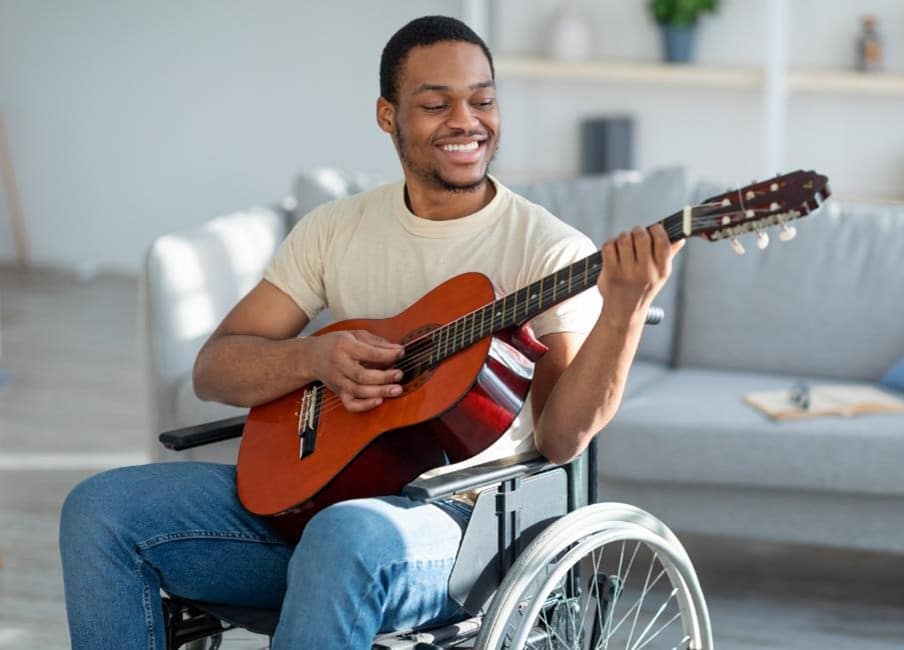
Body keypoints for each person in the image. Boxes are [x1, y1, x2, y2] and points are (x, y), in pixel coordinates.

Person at [59, 15, 683, 649]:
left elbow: (561, 437)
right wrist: (314, 357)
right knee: (101, 509)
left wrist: (625, 311)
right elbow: (215, 367)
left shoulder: (546, 249)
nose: (467, 120)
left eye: (483, 99)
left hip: (462, 535)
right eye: (436, 103)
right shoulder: (336, 229)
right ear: (388, 116)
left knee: (345, 538)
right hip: (315, 507)